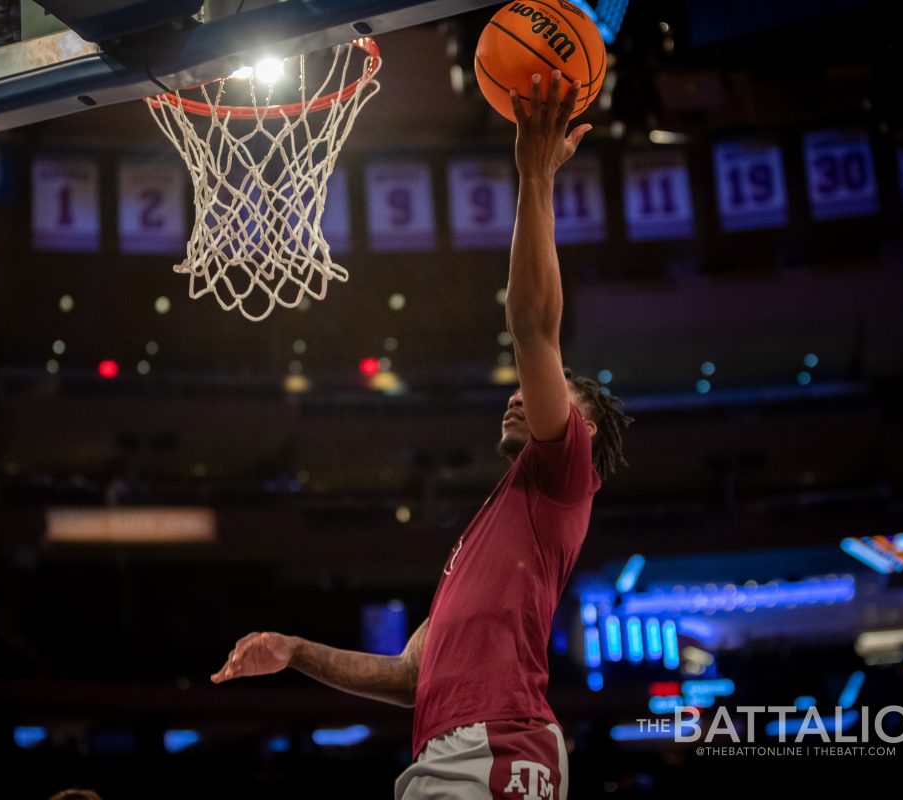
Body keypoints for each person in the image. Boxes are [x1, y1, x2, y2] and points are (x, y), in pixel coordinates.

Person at [211, 70, 632, 800]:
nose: (516, 392)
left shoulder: (564, 472)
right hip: (446, 748)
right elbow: (412, 675)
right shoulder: (489, 532)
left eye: (544, 386)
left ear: (582, 423)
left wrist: (534, 177)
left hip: (501, 740)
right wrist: (294, 648)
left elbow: (533, 326)